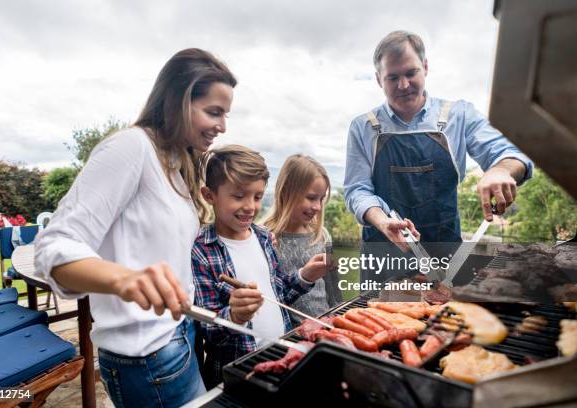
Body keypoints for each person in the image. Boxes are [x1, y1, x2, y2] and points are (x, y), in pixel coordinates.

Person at [34, 48, 237, 407]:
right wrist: (124, 279)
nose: (222, 126)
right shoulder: (130, 147)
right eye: (213, 112)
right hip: (145, 358)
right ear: (178, 101)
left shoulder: (175, 163)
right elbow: (54, 246)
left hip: (177, 338)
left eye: (225, 114)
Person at [344, 30, 533, 282]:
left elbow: (510, 154)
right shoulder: (363, 127)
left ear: (425, 67)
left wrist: (501, 170)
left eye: (411, 73)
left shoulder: (459, 115)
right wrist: (381, 220)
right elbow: (357, 190)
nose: (403, 85)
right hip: (384, 252)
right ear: (379, 79)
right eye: (392, 77)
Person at [192, 145, 328, 388]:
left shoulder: (264, 238)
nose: (250, 207)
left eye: (256, 197)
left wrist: (305, 276)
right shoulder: (201, 251)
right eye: (238, 196)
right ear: (209, 195)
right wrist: (234, 316)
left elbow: (279, 294)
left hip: (280, 356)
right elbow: (206, 329)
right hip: (238, 371)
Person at [264, 154, 342, 326]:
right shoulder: (265, 238)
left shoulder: (322, 236)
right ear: (286, 191)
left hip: (325, 327)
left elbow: (334, 293)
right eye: (311, 197)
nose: (318, 207)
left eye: (321, 199)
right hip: (290, 336)